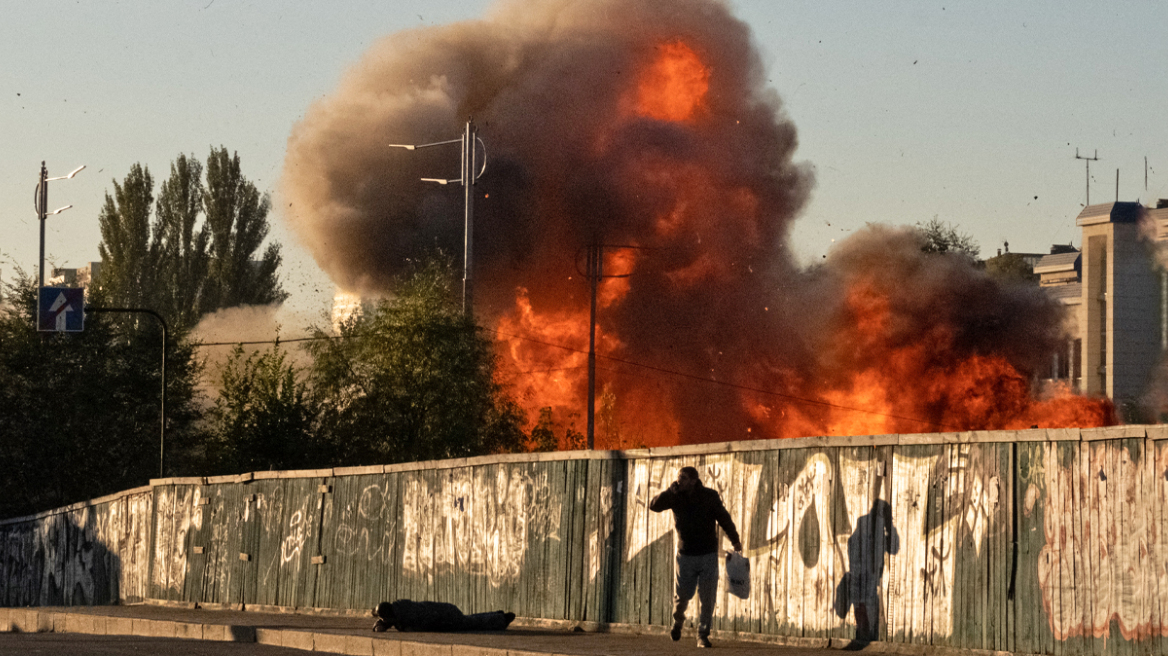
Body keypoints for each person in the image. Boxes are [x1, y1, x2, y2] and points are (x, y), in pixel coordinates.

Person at [650, 466, 742, 649]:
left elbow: (724, 518)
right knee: (682, 596)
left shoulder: (709, 496)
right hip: (685, 556)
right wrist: (669, 491)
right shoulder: (675, 495)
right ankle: (678, 622)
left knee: (708, 598)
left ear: (693, 480)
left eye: (683, 478)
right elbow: (654, 506)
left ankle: (703, 635)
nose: (679, 481)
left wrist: (735, 540)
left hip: (708, 554)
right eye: (678, 477)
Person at [372, 599, 516, 632]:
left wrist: (388, 624)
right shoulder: (400, 607)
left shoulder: (406, 615)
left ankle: (501, 619)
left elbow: (416, 626)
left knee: (472, 623)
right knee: (470, 620)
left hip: (446, 617)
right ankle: (498, 615)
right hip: (445, 612)